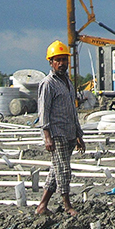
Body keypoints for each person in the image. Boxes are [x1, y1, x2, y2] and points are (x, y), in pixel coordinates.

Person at [35, 40, 85, 217]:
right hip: (57, 134)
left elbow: (73, 110)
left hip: (70, 132)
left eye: (65, 60)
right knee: (63, 170)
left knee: (55, 171)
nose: (62, 63)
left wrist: (79, 134)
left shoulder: (68, 83)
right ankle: (66, 205)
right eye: (58, 60)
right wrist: (47, 136)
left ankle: (42, 206)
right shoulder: (48, 84)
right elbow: (44, 112)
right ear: (51, 62)